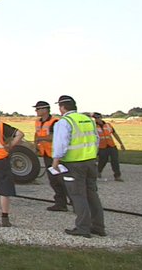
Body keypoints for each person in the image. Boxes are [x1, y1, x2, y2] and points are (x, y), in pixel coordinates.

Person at [51, 95, 105, 238]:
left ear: (62, 107)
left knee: (78, 195)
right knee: (92, 194)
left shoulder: (64, 122)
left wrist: (56, 160)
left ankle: (82, 227)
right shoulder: (88, 120)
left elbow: (61, 143)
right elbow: (96, 139)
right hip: (90, 161)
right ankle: (98, 226)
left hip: (73, 163)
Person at [33, 100, 71, 211]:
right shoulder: (38, 122)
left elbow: (56, 137)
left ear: (45, 110)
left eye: (38, 109)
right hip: (46, 154)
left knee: (62, 180)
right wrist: (36, 145)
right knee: (54, 181)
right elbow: (37, 134)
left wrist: (42, 139)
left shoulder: (55, 122)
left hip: (56, 155)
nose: (36, 111)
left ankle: (74, 202)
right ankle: (60, 203)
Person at [94, 112, 126, 181]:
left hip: (111, 145)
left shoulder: (108, 125)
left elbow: (115, 134)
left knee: (115, 161)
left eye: (98, 118)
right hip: (101, 147)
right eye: (95, 118)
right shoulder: (93, 126)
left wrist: (121, 144)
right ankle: (98, 171)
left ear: (101, 117)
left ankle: (117, 176)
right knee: (103, 161)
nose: (97, 119)